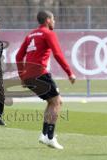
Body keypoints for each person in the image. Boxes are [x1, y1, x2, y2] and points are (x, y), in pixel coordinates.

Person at [16, 10, 76, 149]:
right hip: (40, 73)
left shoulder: (30, 34)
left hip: (29, 76)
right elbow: (58, 54)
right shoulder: (48, 33)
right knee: (57, 102)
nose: (54, 22)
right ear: (48, 20)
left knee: (53, 102)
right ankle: (50, 137)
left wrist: (22, 76)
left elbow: (18, 56)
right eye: (53, 19)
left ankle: (44, 135)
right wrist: (69, 73)